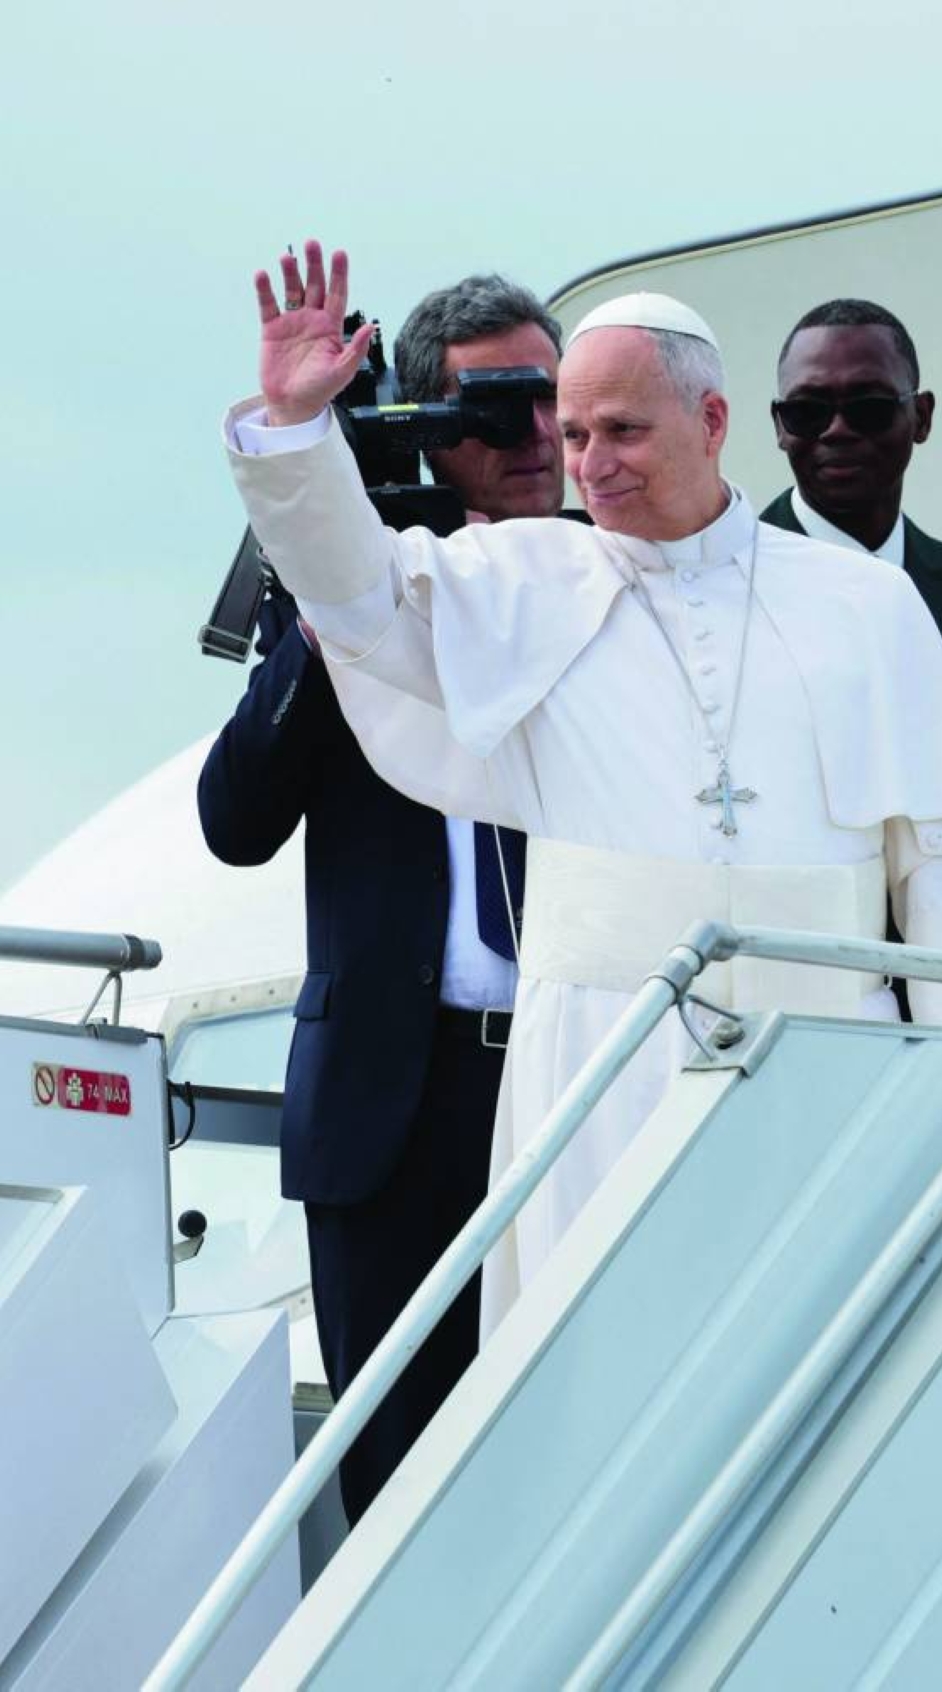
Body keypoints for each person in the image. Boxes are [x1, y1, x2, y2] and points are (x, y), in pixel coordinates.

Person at [225, 240, 942, 1341]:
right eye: (578, 432)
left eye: (624, 432)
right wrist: (300, 439)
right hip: (597, 1072)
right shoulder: (522, 580)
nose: (590, 464)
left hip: (830, 1058)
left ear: (714, 423)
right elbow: (356, 601)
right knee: (597, 1365)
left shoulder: (867, 607)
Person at [198, 271, 564, 1525]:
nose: (535, 438)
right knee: (404, 1494)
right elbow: (235, 822)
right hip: (394, 1107)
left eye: (552, 401)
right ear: (422, 422)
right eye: (495, 407)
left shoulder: (610, 582)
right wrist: (318, 597)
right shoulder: (361, 585)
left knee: (578, 1448)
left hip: (572, 1069)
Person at [760, 299, 942, 1018]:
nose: (835, 431)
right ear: (777, 427)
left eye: (866, 407)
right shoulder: (718, 589)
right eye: (807, 412)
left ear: (920, 416)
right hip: (781, 1010)